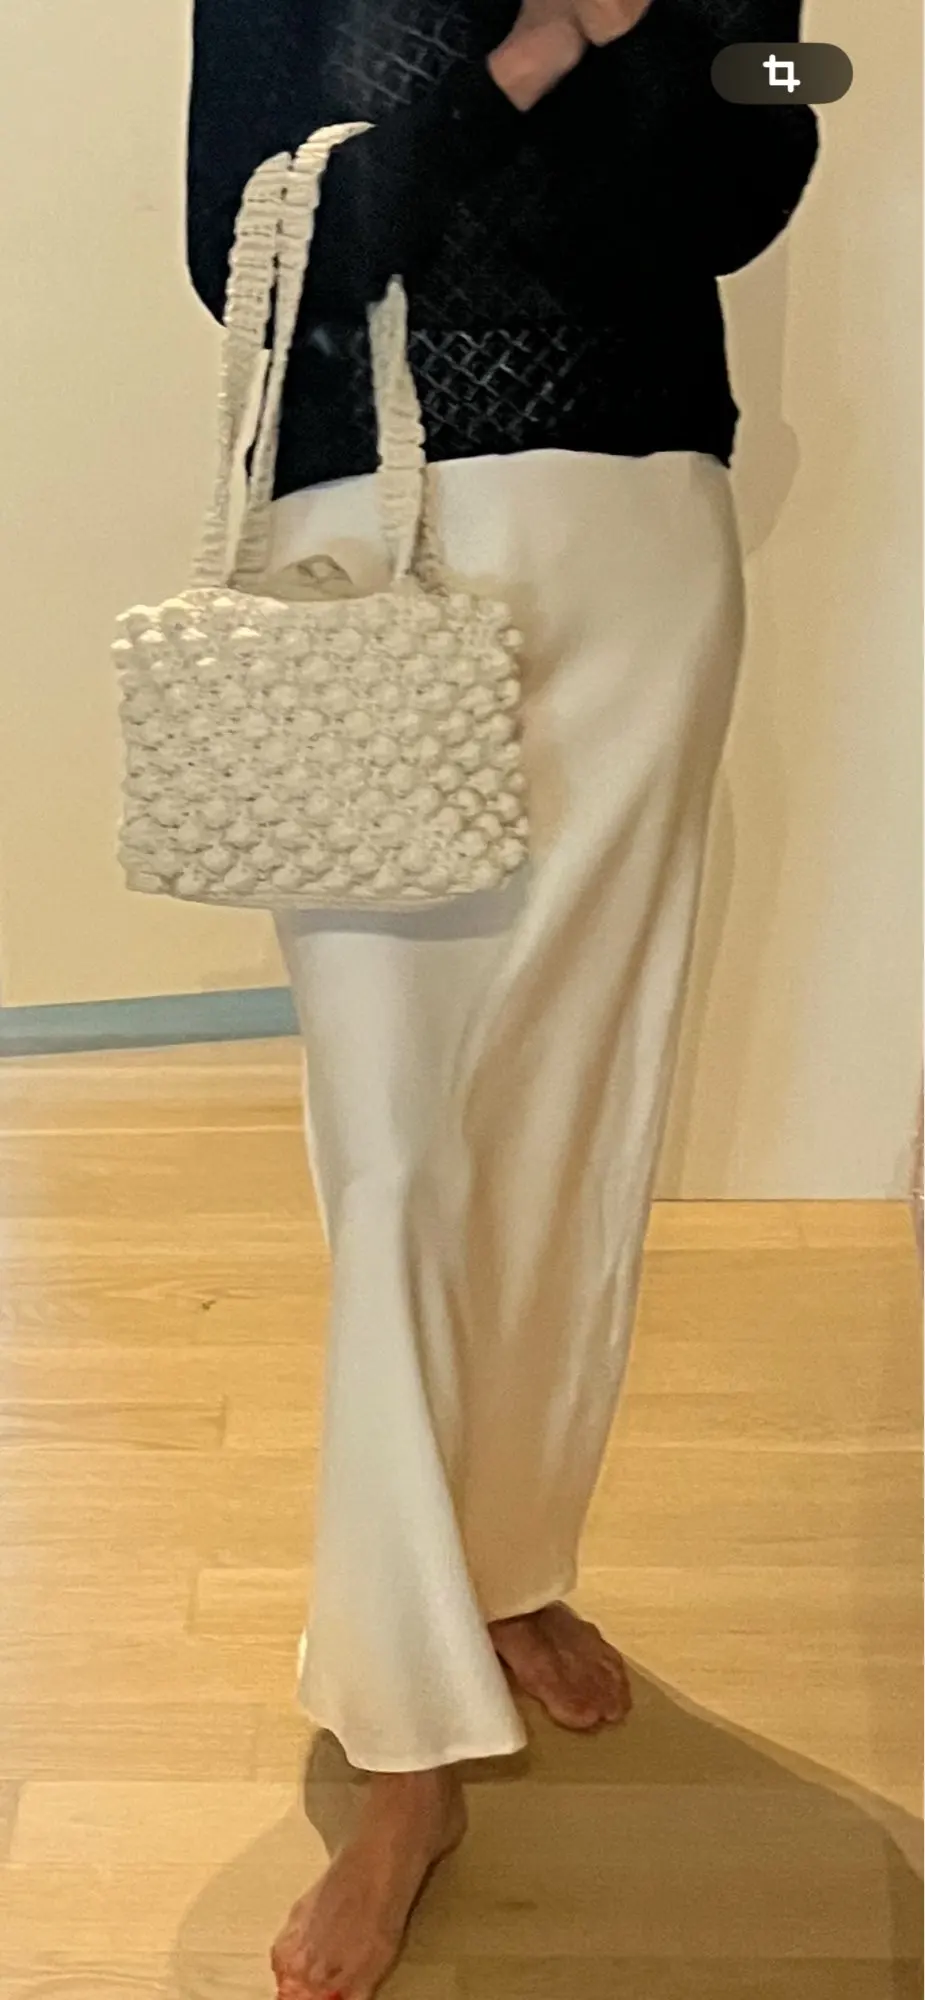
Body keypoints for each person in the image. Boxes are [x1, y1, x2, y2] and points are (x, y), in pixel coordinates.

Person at [186, 2, 819, 1994]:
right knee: (397, 1154)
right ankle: (404, 1751)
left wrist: (676, 38)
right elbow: (250, 244)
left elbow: (771, 154)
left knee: (573, 1121)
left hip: (641, 550)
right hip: (372, 553)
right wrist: (532, 47)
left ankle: (506, 1561)